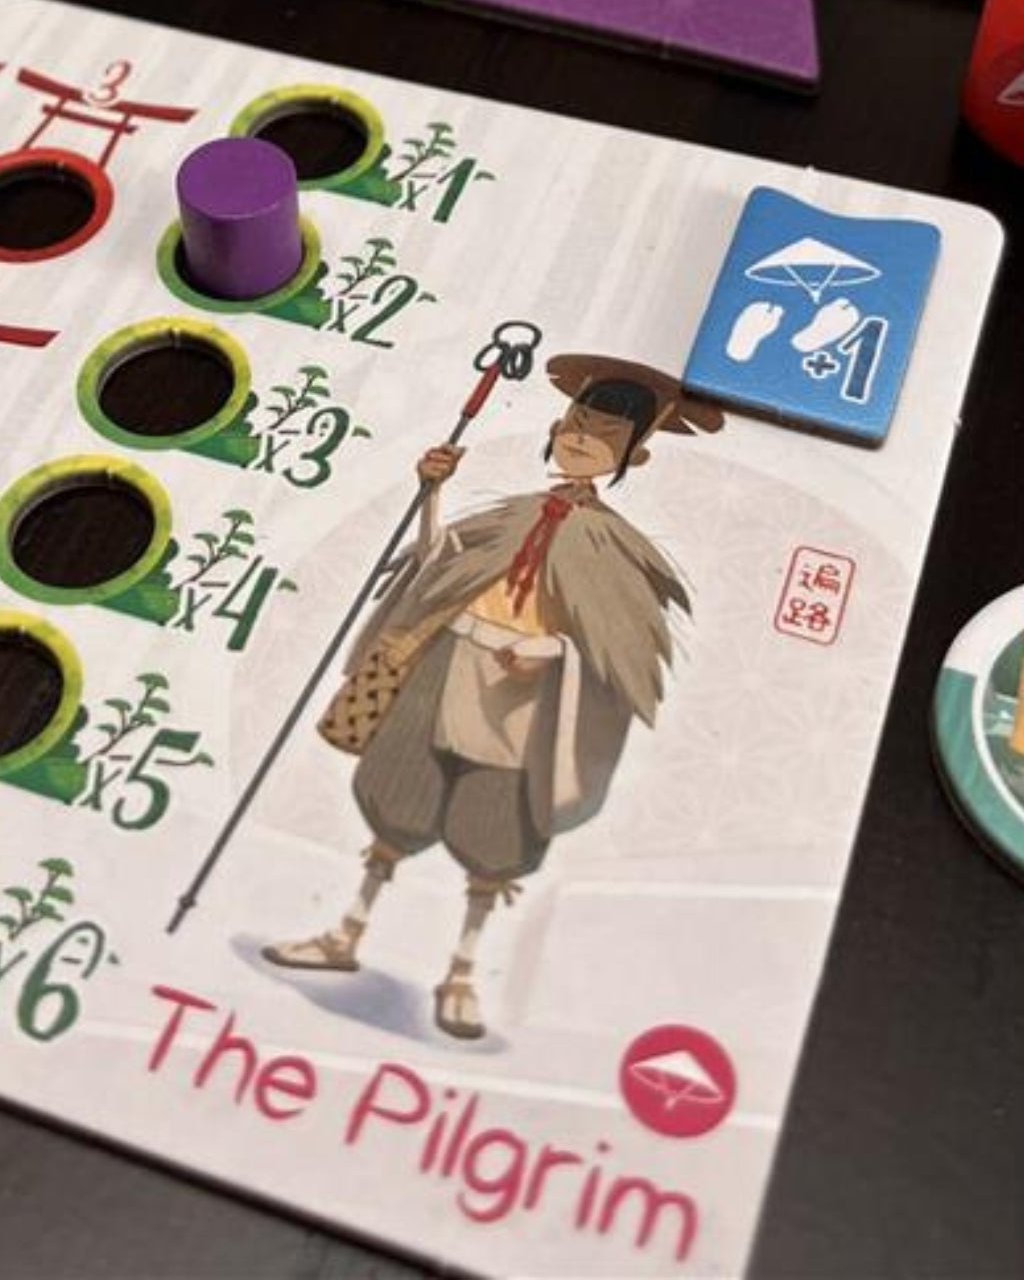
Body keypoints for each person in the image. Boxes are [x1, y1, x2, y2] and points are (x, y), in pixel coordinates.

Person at [265, 355, 720, 1040]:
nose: (582, 439)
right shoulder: (511, 514)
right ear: (557, 425)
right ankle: (346, 933)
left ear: (635, 454)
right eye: (577, 423)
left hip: (523, 702)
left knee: (495, 832)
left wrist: (549, 651)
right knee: (398, 797)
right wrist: (431, 492)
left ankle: (461, 972)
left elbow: (610, 649)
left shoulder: (616, 547)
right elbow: (435, 567)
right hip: (446, 666)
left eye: (603, 436)